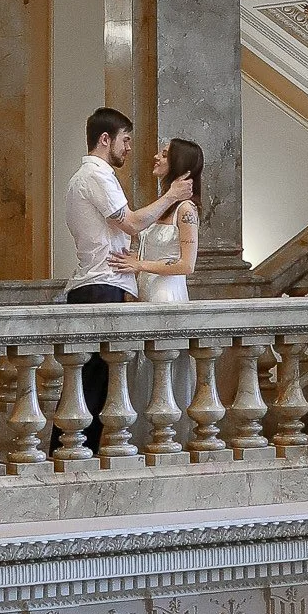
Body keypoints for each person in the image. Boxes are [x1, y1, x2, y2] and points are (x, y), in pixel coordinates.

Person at [59, 107, 194, 455]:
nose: (131, 148)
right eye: (126, 140)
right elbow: (132, 224)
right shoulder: (98, 177)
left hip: (104, 284)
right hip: (101, 286)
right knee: (95, 384)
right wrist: (172, 195)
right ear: (106, 139)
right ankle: (75, 454)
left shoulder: (87, 177)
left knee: (99, 383)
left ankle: (77, 452)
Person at [111, 139, 204, 425]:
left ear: (179, 164)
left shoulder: (186, 209)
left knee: (163, 371)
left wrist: (140, 265)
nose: (156, 157)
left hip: (167, 296)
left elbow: (187, 265)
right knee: (143, 371)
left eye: (164, 154)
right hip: (146, 293)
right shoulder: (162, 204)